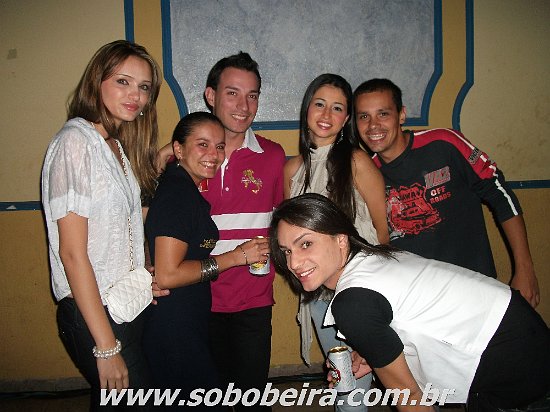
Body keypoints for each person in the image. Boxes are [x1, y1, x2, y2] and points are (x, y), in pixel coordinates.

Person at [270, 193, 550, 411]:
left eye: (305, 244)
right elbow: (409, 312)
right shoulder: (374, 257)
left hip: (509, 357)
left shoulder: (352, 303)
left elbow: (410, 397)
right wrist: (371, 354)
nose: (293, 263)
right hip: (520, 327)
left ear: (341, 240)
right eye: (286, 251)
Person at [41, 40, 162, 411]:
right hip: (93, 313)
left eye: (144, 87)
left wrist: (143, 273)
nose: (135, 95)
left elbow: (119, 227)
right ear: (97, 81)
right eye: (123, 81)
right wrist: (106, 347)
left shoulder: (114, 146)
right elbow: (72, 254)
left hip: (123, 304)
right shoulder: (75, 142)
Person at [352, 78, 540, 308]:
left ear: (401, 115)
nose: (373, 125)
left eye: (383, 114)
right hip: (415, 302)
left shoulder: (443, 143)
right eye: (364, 116)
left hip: (474, 289)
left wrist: (524, 268)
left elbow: (500, 194)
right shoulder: (367, 174)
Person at [142, 112, 270, 408]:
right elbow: (168, 275)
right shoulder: (177, 195)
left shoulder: (182, 188)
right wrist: (236, 257)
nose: (214, 154)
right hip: (173, 324)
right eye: (202, 144)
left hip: (185, 317)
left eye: (219, 146)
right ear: (178, 149)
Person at [283, 73, 388, 412]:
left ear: (346, 119)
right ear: (307, 109)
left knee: (356, 387)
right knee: (343, 383)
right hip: (318, 294)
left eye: (338, 108)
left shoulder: (357, 161)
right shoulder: (292, 169)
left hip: (359, 291)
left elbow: (382, 232)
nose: (327, 114)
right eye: (319, 104)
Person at [197, 51, 285, 411]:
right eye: (232, 93)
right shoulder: (184, 159)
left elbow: (285, 223)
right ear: (211, 96)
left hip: (252, 300)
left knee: (249, 398)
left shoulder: (273, 156)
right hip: (197, 299)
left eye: (252, 95)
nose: (243, 106)